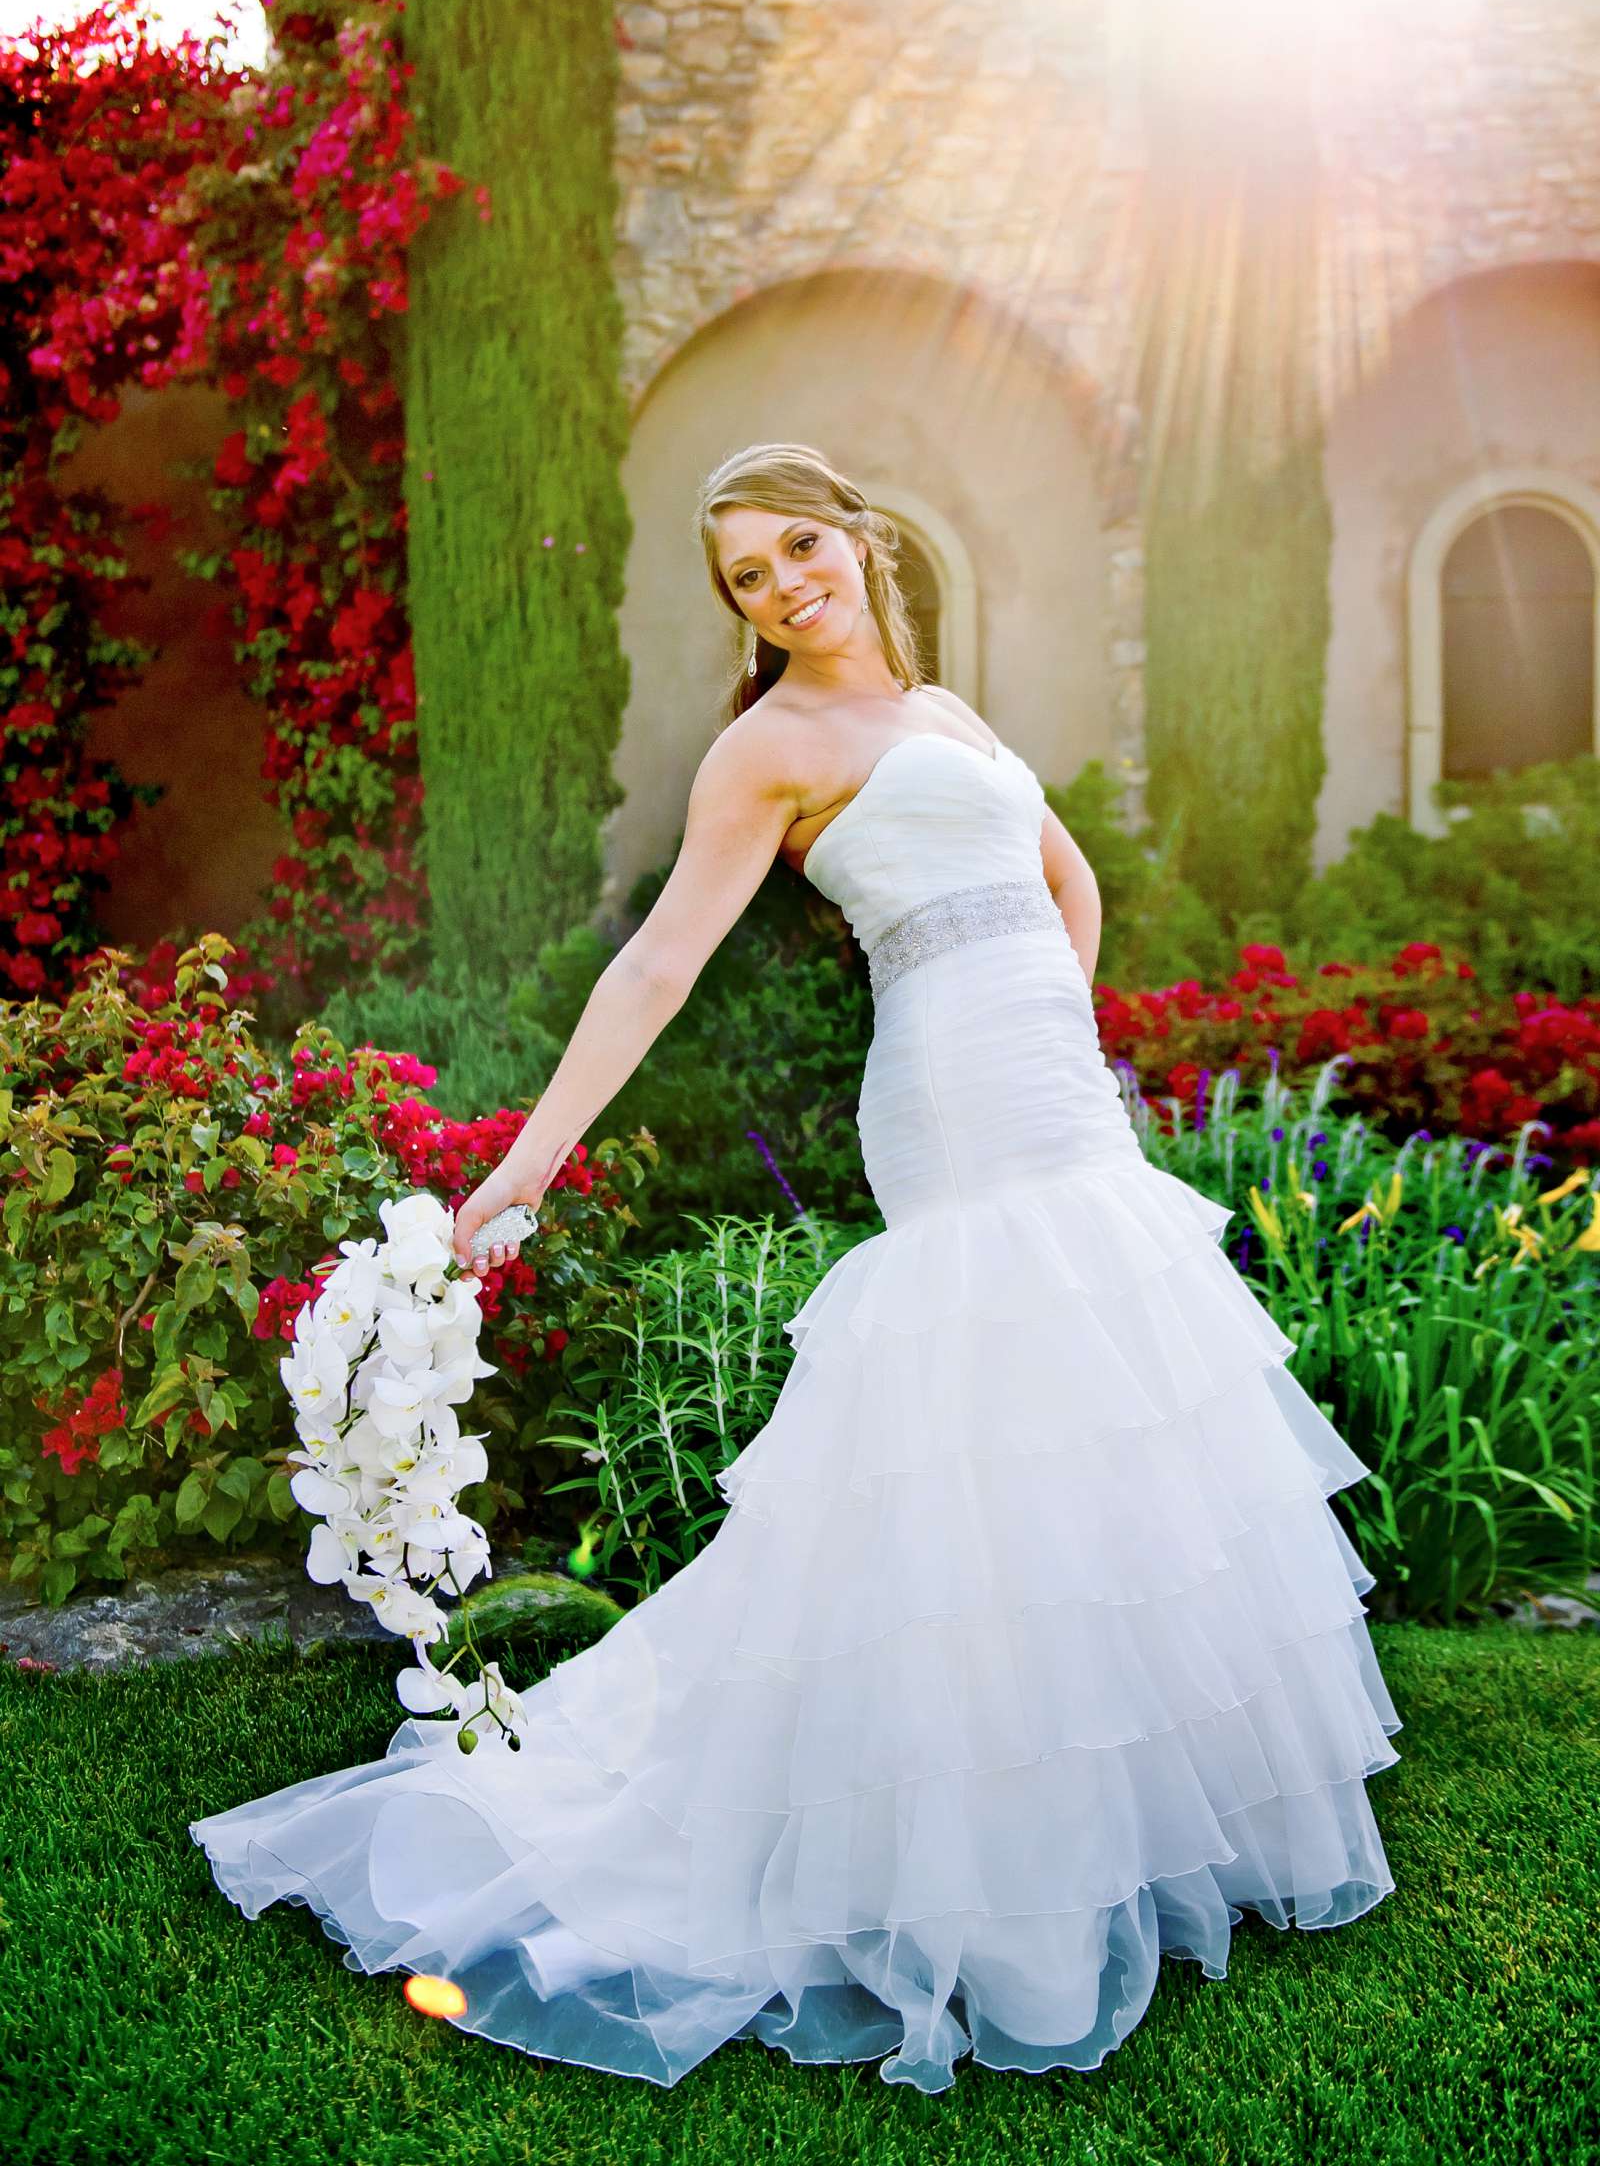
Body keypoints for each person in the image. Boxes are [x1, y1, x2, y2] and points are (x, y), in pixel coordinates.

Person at [191, 440, 1402, 2094]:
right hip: (955, 1110)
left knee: (1108, 1442)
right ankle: (980, 1866)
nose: (783, 588)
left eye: (797, 549)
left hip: (1052, 1099)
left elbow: (1069, 878)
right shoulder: (768, 748)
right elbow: (660, 961)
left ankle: (1102, 1814)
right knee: (989, 1445)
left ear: (857, 536)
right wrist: (526, 1162)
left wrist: (1055, 1014)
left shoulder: (949, 713)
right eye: (749, 578)